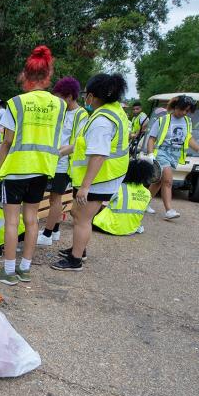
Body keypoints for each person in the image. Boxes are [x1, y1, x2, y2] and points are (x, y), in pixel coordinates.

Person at [0, 45, 66, 285]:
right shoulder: (59, 105)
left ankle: (8, 272)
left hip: (17, 168)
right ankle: (25, 269)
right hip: (42, 169)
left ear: (27, 75)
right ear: (48, 75)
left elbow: (7, 142)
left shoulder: (16, 103)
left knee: (12, 221)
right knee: (32, 219)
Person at [51, 73, 130, 271]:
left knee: (83, 218)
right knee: (77, 212)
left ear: (92, 96)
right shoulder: (112, 110)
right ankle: (78, 248)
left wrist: (85, 187)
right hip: (104, 175)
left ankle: (76, 259)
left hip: (102, 177)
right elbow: (82, 144)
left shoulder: (102, 121)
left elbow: (99, 155)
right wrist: (60, 152)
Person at [38, 76, 88, 246]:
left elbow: (77, 144)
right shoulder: (62, 111)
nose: (57, 101)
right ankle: (56, 230)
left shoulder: (81, 115)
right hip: (54, 161)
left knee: (55, 199)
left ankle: (46, 234)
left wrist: (57, 154)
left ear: (69, 97)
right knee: (54, 198)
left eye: (60, 98)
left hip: (64, 164)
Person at [145, 94, 199, 220]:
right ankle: (169, 210)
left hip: (174, 155)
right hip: (162, 153)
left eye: (187, 111)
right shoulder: (162, 120)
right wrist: (151, 154)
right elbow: (151, 139)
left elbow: (188, 138)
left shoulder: (187, 122)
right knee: (168, 180)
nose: (184, 113)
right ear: (175, 106)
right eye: (182, 109)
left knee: (158, 182)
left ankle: (143, 203)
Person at [93, 159, 153, 235]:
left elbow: (102, 204)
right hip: (130, 229)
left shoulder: (119, 187)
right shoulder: (147, 193)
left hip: (108, 227)